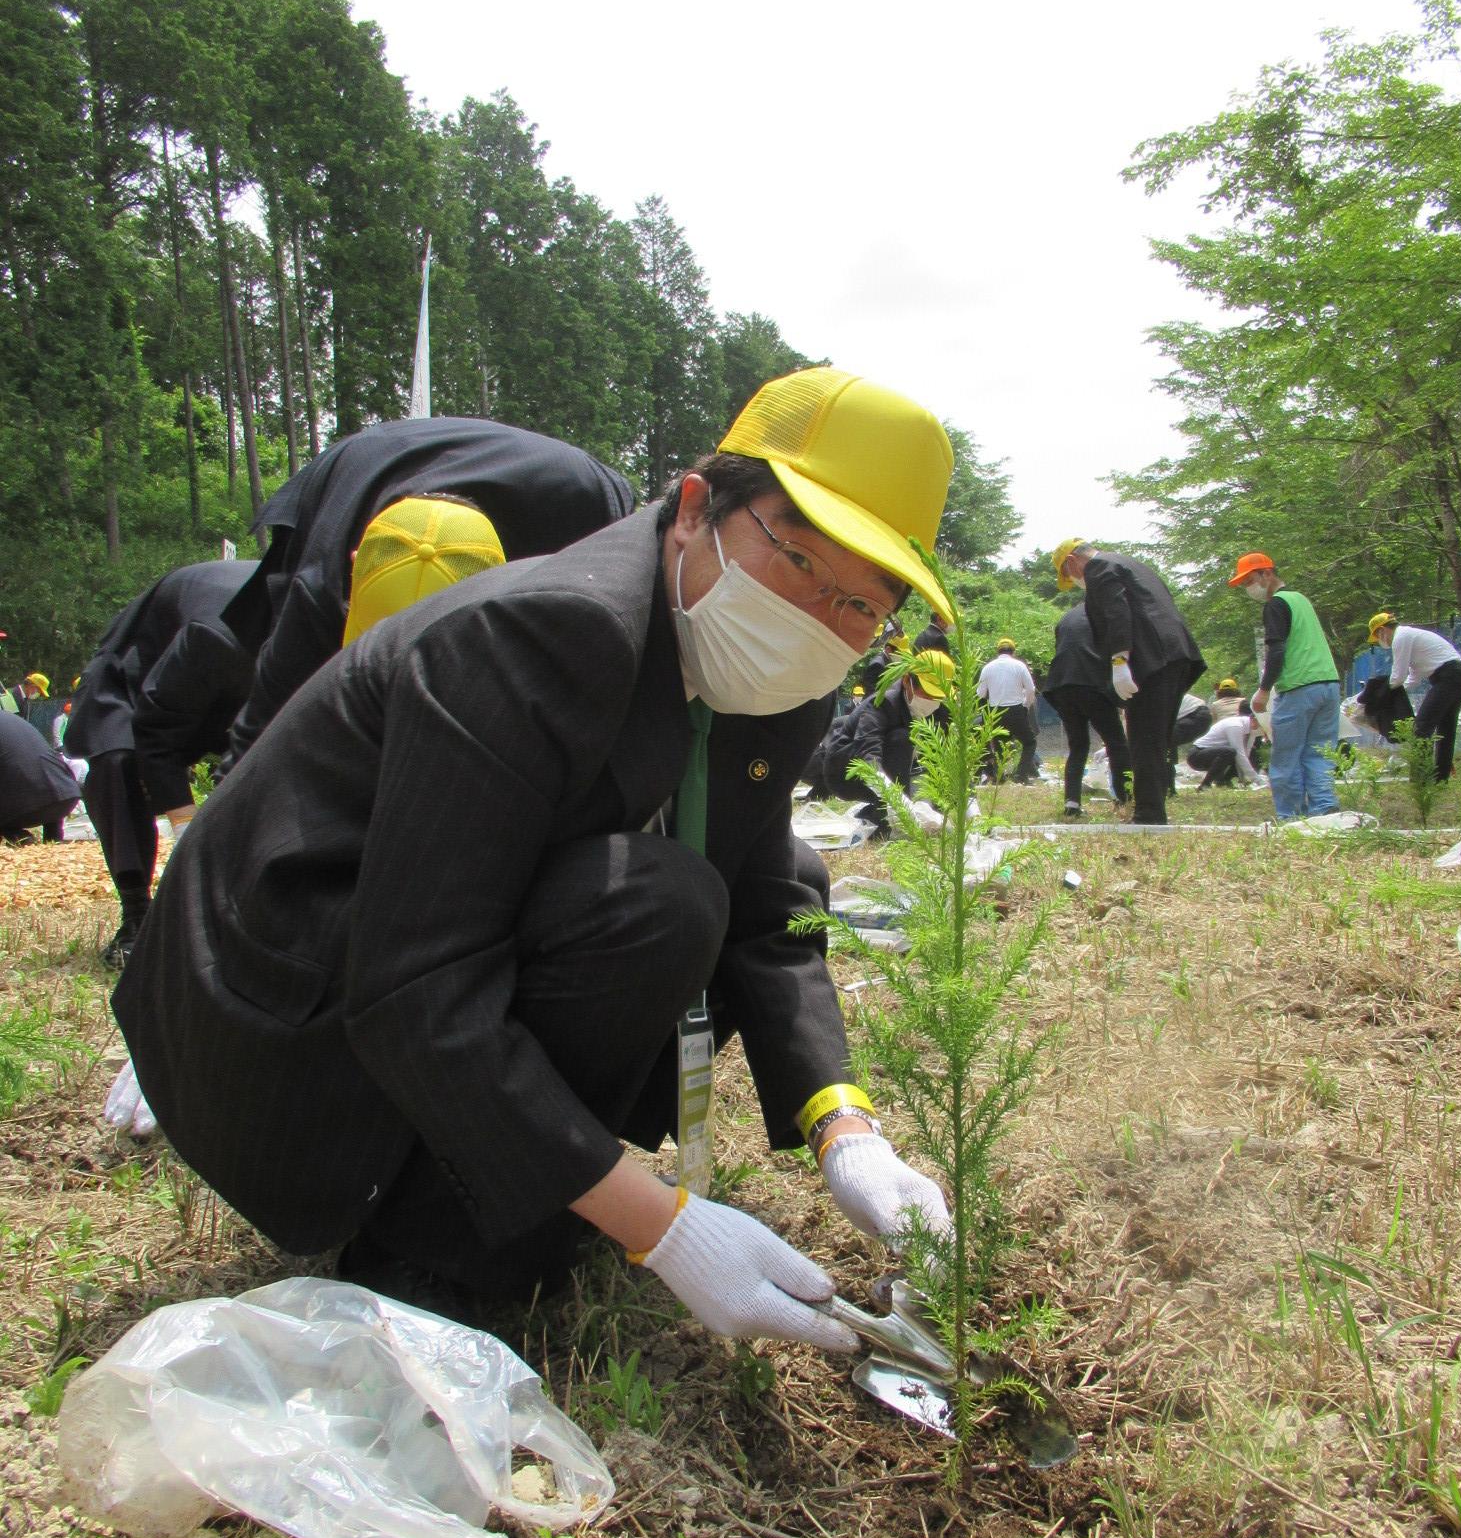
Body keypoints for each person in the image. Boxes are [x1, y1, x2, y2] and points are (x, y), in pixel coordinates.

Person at [114, 368, 955, 1357]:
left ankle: (531, 1188)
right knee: (660, 901)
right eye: (798, 557)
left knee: (766, 879)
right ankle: (426, 1250)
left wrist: (846, 1130)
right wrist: (664, 1225)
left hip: (411, 962)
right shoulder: (541, 632)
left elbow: (772, 905)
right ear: (695, 510)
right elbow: (416, 984)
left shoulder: (785, 670)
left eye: (862, 605)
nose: (820, 615)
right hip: (281, 1008)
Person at [220, 418, 635, 770]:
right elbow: (257, 741)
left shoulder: (585, 546)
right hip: (369, 461)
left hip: (570, 496)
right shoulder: (318, 590)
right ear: (354, 563)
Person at [65, 561, 260, 967]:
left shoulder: (336, 636)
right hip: (142, 668)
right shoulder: (214, 640)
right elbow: (155, 734)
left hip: (235, 677)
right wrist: (186, 827)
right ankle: (137, 911)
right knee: (117, 761)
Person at [1051, 539, 1205, 825]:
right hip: (1177, 654)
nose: (1074, 581)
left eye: (1068, 574)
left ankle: (1148, 815)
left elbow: (1116, 612)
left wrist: (1120, 660)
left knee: (1143, 738)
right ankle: (1154, 808)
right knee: (1157, 738)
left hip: (1150, 658)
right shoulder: (1131, 564)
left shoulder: (1099, 567)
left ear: (1072, 561)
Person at [1229, 553, 1340, 821]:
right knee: (1319, 752)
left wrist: (1264, 690)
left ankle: (1290, 817)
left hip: (1298, 687)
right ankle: (1324, 810)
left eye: (1250, 580)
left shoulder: (1276, 605)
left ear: (1268, 574)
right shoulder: (1300, 599)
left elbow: (1276, 650)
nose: (1249, 589)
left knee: (1286, 756)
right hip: (1328, 684)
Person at [817, 650, 955, 830]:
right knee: (902, 738)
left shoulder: (938, 710)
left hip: (893, 773)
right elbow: (868, 756)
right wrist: (900, 804)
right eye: (927, 693)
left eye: (938, 696)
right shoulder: (882, 703)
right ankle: (887, 817)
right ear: (907, 681)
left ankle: (878, 812)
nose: (932, 701)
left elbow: (946, 757)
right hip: (846, 773)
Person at [1041, 601, 1130, 817]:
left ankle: (1072, 803)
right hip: (1091, 682)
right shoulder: (1108, 612)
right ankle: (1124, 798)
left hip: (1061, 685)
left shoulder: (1067, 617)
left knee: (1078, 745)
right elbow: (1118, 650)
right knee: (1116, 743)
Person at [1368, 611, 1461, 781]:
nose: (1379, 642)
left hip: (1448, 677)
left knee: (1421, 727)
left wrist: (1378, 696)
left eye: (1378, 637)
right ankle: (1440, 778)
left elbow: (1397, 677)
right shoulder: (1411, 637)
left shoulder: (1401, 637)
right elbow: (1412, 678)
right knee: (1445, 729)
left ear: (1383, 630)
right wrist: (1397, 690)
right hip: (1457, 676)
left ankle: (1420, 779)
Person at [0, 710, 80, 843]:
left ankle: (20, 839)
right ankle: (53, 842)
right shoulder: (10, 717)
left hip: (28, 804)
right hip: (65, 794)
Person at [976, 638, 1038, 783]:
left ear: (998, 651)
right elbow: (1030, 689)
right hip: (1016, 709)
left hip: (995, 711)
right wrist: (1026, 705)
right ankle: (1021, 776)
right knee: (1029, 743)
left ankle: (999, 777)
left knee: (998, 744)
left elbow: (980, 693)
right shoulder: (1019, 666)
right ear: (1013, 651)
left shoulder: (988, 668)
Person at [1185, 703, 1266, 789]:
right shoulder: (1235, 725)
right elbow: (1240, 754)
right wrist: (1258, 781)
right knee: (1230, 752)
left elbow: (1246, 754)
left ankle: (1223, 781)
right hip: (1197, 755)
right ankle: (1205, 785)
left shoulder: (1251, 731)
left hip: (1216, 754)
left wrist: (1243, 779)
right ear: (1253, 719)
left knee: (1250, 754)